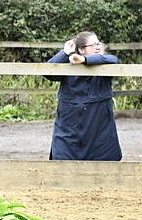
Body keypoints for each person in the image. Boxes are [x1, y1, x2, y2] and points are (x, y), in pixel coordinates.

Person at [45, 31, 122, 160]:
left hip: (99, 132)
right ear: (81, 49)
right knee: (62, 169)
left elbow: (114, 60)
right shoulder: (67, 66)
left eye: (99, 44)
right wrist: (64, 53)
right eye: (93, 45)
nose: (98, 47)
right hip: (69, 131)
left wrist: (85, 60)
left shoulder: (106, 64)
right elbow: (49, 71)